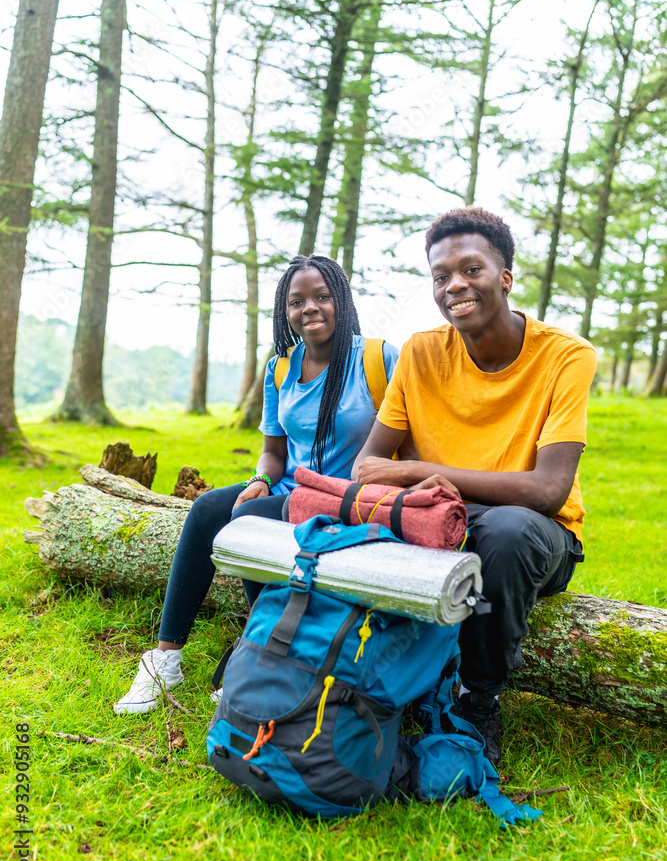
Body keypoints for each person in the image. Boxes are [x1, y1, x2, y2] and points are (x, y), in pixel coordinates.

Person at [352, 207, 597, 763]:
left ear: (505, 278)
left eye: (471, 270)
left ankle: (478, 699)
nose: (454, 286)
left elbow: (548, 492)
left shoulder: (565, 356)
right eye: (441, 277)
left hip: (534, 537)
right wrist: (412, 487)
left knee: (506, 532)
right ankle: (392, 678)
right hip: (444, 523)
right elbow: (368, 465)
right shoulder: (419, 352)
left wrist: (418, 474)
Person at [114, 254, 399, 714]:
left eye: (323, 296)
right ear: (282, 311)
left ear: (341, 300)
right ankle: (165, 659)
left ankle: (259, 652)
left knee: (247, 520)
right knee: (208, 507)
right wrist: (261, 479)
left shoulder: (378, 357)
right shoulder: (281, 368)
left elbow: (405, 438)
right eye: (296, 300)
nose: (310, 308)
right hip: (290, 490)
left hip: (346, 502)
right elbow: (274, 452)